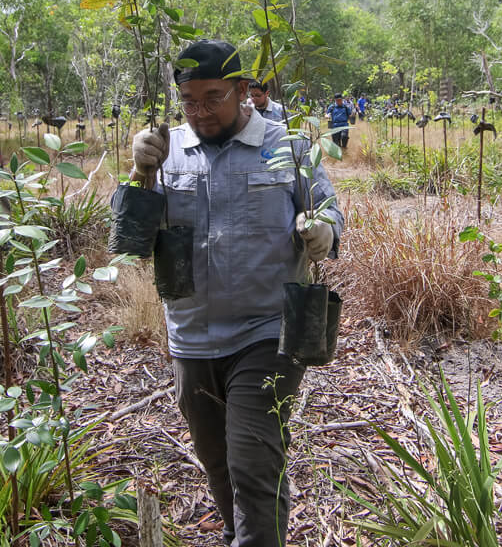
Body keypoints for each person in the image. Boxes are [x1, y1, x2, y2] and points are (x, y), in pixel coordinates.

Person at [130, 39, 343, 547]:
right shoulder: (167, 149)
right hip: (191, 335)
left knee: (252, 457)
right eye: (189, 100)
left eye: (213, 97)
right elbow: (132, 240)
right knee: (217, 460)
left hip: (266, 331)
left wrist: (321, 231)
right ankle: (240, 533)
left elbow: (330, 210)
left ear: (243, 91)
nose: (199, 111)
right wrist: (140, 172)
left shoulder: (285, 145)